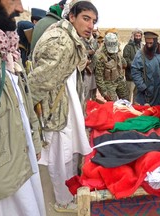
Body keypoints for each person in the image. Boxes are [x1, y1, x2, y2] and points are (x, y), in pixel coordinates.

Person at [28, 0, 98, 213]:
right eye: (86, 18)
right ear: (71, 17)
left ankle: (67, 194)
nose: (90, 25)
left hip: (66, 108)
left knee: (67, 156)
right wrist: (28, 117)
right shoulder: (62, 40)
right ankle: (62, 201)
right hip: (56, 112)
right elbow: (37, 83)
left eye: (93, 21)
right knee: (61, 157)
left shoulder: (69, 37)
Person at [0, 0, 46, 215]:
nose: (20, 8)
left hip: (22, 159)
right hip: (1, 174)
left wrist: (34, 141)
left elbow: (23, 100)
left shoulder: (8, 51)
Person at [131, 31, 160, 106]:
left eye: (151, 43)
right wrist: (143, 87)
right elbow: (135, 71)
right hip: (147, 94)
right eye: (147, 43)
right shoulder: (141, 54)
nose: (149, 46)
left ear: (156, 41)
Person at [95, 32, 129, 102]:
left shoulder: (118, 51)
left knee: (126, 101)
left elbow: (124, 64)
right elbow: (99, 78)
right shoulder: (100, 57)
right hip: (109, 83)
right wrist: (104, 93)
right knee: (112, 104)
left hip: (119, 79)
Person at [123, 28, 144, 104]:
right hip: (130, 76)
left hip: (139, 77)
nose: (138, 37)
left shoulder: (142, 46)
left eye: (139, 36)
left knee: (137, 98)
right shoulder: (128, 47)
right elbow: (125, 60)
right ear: (133, 36)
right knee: (128, 97)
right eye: (136, 36)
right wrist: (136, 65)